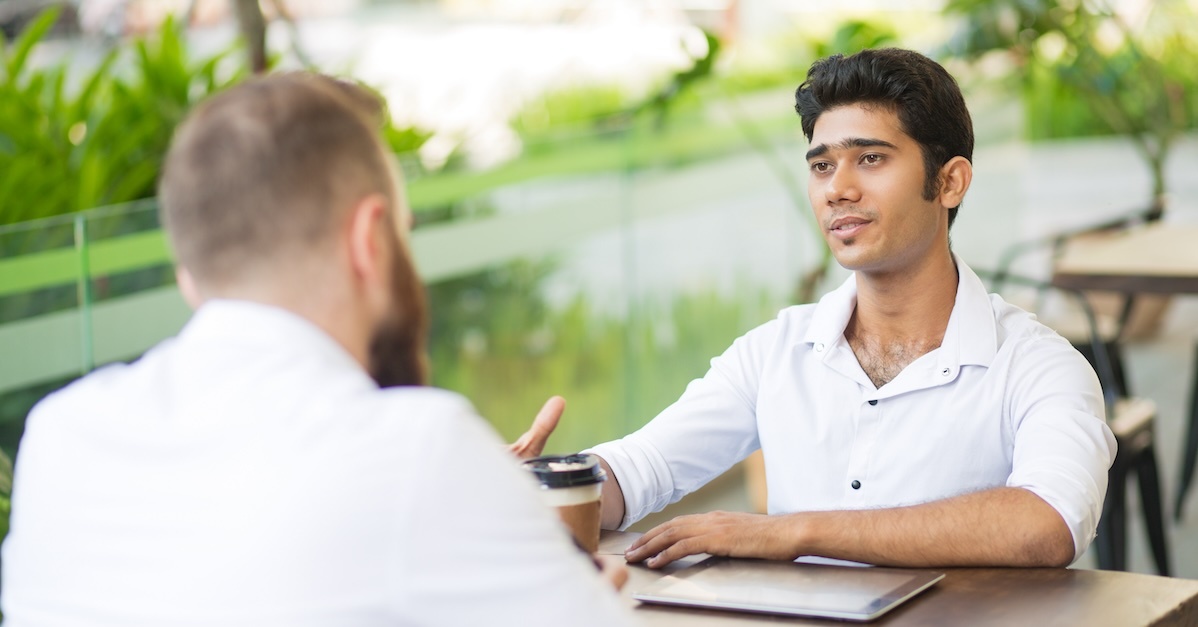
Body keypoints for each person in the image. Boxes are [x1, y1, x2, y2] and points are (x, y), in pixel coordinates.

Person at [1, 73, 632, 625]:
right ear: (370, 242)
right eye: (404, 236)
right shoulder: (420, 452)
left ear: (187, 275)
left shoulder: (60, 437)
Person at [514, 48, 1116, 569]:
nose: (838, 188)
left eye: (871, 159)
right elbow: (639, 469)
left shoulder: (1039, 365)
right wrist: (532, 486)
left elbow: (1048, 522)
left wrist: (793, 532)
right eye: (823, 165)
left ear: (951, 182)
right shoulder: (776, 352)